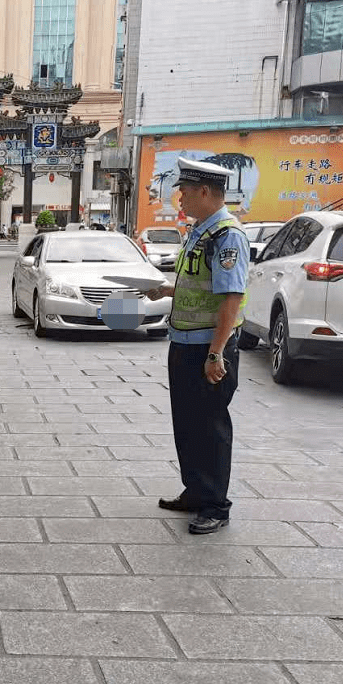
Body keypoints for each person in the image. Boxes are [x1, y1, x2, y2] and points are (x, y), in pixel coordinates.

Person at [145, 157, 250, 535]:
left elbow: (231, 298)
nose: (181, 200)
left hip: (208, 347)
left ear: (205, 192)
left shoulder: (227, 235)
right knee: (186, 423)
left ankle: (215, 506)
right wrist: (169, 288)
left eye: (185, 193)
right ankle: (195, 490)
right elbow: (203, 283)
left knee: (211, 426)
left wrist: (216, 353)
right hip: (184, 342)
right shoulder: (199, 231)